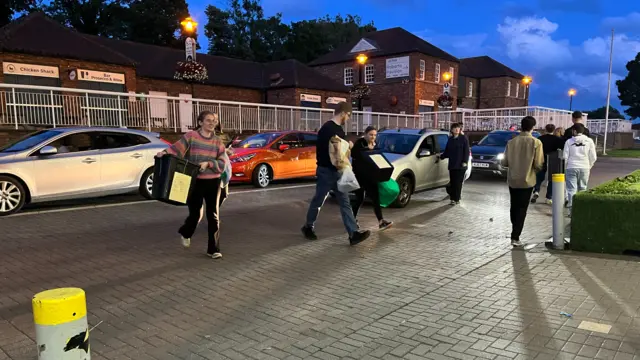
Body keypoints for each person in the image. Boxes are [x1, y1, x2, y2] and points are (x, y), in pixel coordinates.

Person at [156, 111, 229, 259]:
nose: (212, 123)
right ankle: (186, 232)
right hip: (195, 181)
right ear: (200, 122)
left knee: (213, 215)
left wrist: (209, 163)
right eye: (209, 120)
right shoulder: (191, 136)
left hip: (213, 182)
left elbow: (222, 163)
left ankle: (213, 249)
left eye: (214, 120)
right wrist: (164, 153)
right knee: (195, 214)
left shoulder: (217, 142)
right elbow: (176, 149)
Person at [301, 102, 371, 245]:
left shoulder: (324, 128)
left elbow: (322, 151)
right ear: (343, 113)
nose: (349, 119)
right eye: (349, 115)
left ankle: (352, 234)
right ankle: (309, 226)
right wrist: (349, 146)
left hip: (325, 170)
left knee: (325, 201)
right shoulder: (337, 131)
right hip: (331, 171)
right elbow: (338, 154)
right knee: (336, 202)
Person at [502, 116, 544, 247]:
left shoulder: (511, 142)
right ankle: (515, 236)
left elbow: (504, 162)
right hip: (527, 180)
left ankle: (514, 230)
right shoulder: (536, 143)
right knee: (522, 208)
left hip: (513, 179)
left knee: (513, 206)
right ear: (533, 127)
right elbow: (538, 164)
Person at [350, 126, 393, 230]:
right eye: (371, 135)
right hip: (359, 176)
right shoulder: (360, 143)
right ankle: (352, 220)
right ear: (365, 134)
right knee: (359, 198)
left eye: (374, 135)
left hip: (371, 176)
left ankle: (381, 221)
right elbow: (355, 154)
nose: (373, 137)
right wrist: (368, 150)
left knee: (376, 199)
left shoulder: (375, 144)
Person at [563, 123, 597, 214]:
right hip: (584, 167)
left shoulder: (569, 141)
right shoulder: (589, 141)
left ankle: (571, 211)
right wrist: (589, 165)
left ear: (574, 131)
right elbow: (593, 156)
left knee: (571, 190)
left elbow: (565, 156)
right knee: (582, 188)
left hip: (571, 166)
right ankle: (581, 210)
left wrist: (566, 166)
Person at [531, 124, 564, 204]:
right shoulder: (557, 139)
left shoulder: (540, 138)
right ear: (553, 130)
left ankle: (536, 191)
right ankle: (548, 197)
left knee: (539, 177)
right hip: (553, 160)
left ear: (545, 129)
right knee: (551, 179)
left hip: (542, 159)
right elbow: (561, 149)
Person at [440, 123, 470, 205]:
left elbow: (466, 151)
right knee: (453, 182)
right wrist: (441, 156)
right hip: (452, 164)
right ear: (452, 130)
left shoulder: (463, 138)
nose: (457, 129)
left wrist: (465, 162)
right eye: (455, 128)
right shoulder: (450, 139)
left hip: (461, 165)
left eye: (458, 128)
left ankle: (456, 199)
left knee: (458, 182)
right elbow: (447, 151)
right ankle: (452, 198)